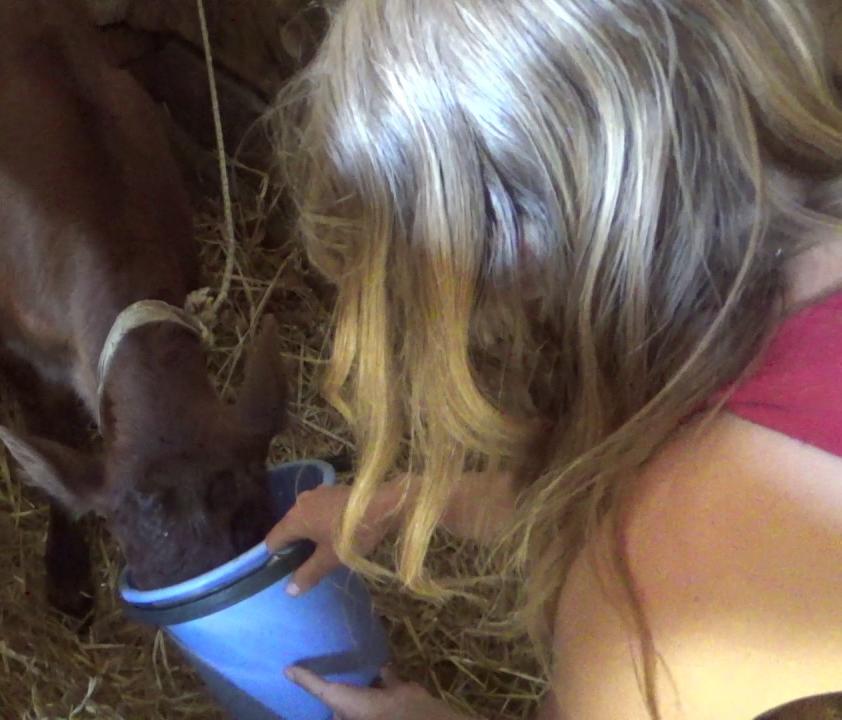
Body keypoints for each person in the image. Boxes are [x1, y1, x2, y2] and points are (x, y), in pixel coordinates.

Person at [264, 0, 842, 718]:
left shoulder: (655, 586)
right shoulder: (780, 304)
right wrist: (405, 500)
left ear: (518, 239)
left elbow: (679, 518)